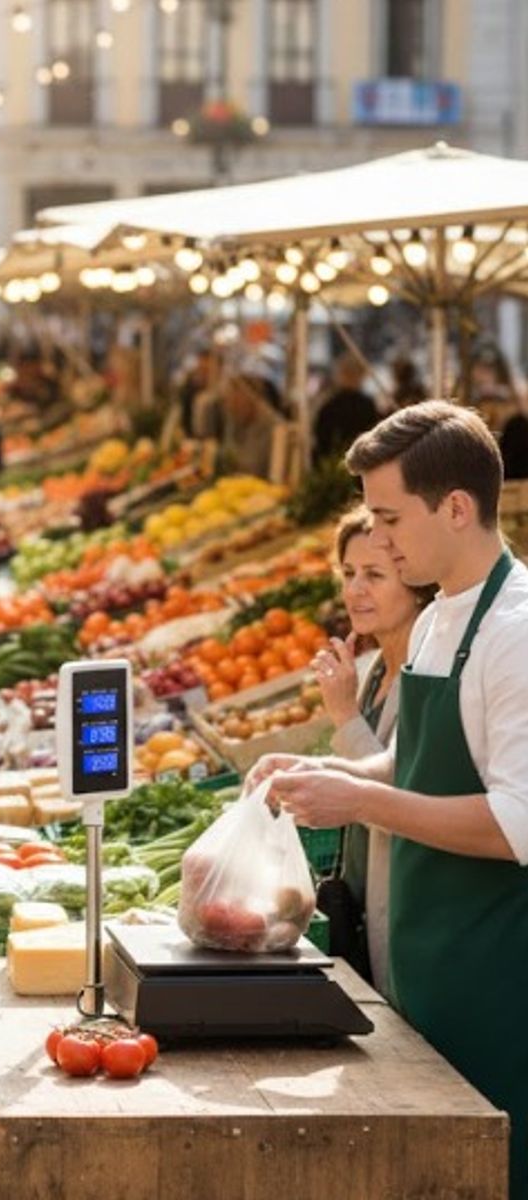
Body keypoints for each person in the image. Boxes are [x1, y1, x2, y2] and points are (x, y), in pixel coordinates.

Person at [254, 401, 528, 1199]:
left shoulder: (517, 632)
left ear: (456, 507)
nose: (380, 539)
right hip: (421, 977)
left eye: (389, 517)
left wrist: (362, 801)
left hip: (496, 987)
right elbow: (421, 764)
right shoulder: (446, 613)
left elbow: (516, 822)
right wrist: (328, 776)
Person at [310, 507, 434, 994]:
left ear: (416, 579)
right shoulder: (375, 669)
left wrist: (343, 715)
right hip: (371, 903)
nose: (355, 589)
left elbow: (401, 786)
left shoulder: (429, 673)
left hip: (410, 910)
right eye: (348, 574)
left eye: (375, 575)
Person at [313, 355, 379, 464]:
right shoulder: (368, 405)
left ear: (340, 375)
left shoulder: (329, 405)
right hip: (361, 465)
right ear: (361, 376)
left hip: (334, 467)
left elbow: (321, 440)